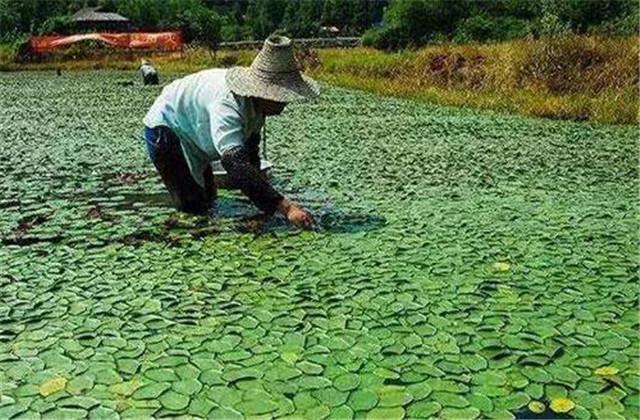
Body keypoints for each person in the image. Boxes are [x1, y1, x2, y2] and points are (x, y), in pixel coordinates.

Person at [142, 36, 318, 229]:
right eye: (281, 97)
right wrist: (286, 208)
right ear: (264, 93)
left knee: (209, 199)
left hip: (195, 133)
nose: (285, 103)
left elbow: (250, 154)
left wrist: (264, 202)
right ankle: (175, 239)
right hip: (168, 128)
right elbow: (236, 164)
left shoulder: (257, 106)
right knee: (192, 205)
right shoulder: (228, 104)